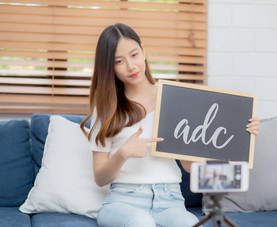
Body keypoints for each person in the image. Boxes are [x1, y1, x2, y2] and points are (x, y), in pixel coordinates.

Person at [80, 23, 260, 227]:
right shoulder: (105, 108)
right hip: (123, 201)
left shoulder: (173, 99)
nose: (131, 66)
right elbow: (100, 178)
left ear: (144, 51)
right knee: (142, 223)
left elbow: (189, 166)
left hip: (170, 201)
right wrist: (123, 153)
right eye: (119, 61)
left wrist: (241, 136)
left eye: (134, 54)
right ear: (109, 67)